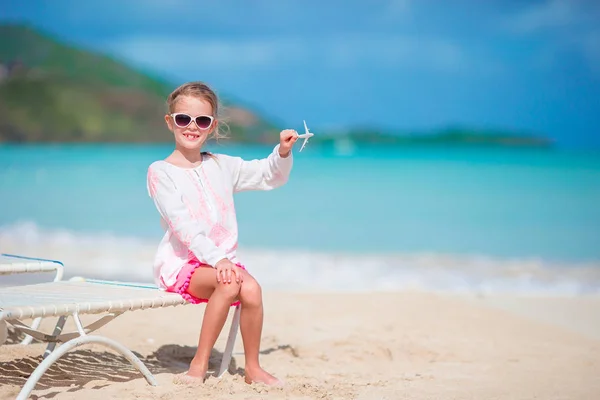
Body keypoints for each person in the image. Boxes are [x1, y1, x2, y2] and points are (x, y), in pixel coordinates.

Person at [146, 81, 298, 386]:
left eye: (201, 120)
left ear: (212, 126)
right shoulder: (160, 172)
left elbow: (269, 176)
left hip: (222, 264)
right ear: (170, 122)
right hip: (183, 264)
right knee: (229, 284)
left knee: (252, 290)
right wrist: (217, 260)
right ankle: (199, 364)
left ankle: (252, 369)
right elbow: (183, 226)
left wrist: (281, 152)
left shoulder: (221, 165)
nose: (192, 127)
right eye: (183, 119)